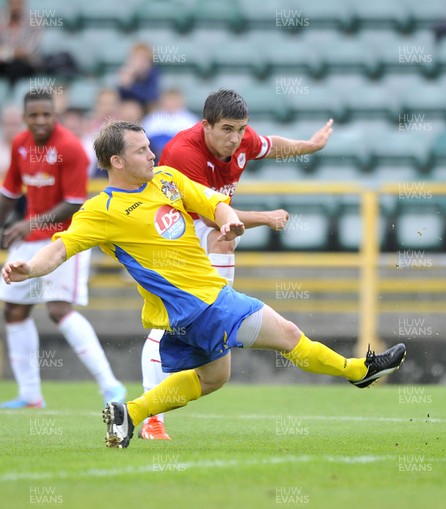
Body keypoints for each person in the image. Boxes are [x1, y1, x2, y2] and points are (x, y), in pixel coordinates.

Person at [1, 120, 407, 448]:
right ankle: (359, 370)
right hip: (204, 302)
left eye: (149, 146)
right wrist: (30, 269)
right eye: (141, 150)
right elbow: (59, 249)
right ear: (116, 161)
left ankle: (133, 413)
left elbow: (212, 201)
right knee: (288, 333)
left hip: (189, 311)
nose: (151, 153)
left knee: (215, 378)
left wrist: (228, 216)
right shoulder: (101, 210)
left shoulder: (166, 179)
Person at [139, 89, 334, 440]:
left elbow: (271, 145)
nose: (236, 139)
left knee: (209, 309)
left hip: (212, 229)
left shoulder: (241, 139)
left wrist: (310, 145)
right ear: (206, 126)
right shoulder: (184, 153)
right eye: (227, 129)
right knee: (175, 320)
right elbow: (212, 218)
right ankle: (152, 419)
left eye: (241, 130)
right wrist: (266, 217)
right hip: (173, 235)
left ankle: (214, 322)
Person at [0, 90, 126, 409]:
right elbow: (10, 193)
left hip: (66, 239)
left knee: (58, 310)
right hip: (29, 241)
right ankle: (30, 395)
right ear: (26, 117)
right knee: (14, 310)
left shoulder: (70, 148)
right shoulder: (20, 145)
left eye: (46, 114)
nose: (40, 120)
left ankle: (111, 386)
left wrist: (28, 224)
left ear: (55, 115)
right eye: (34, 115)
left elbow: (74, 203)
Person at [142, 88, 198, 159]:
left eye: (174, 100)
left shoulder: (190, 120)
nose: (171, 103)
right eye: (169, 99)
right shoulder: (151, 119)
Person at [0, 0, 43, 87]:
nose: (16, 6)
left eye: (18, 3)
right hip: (3, 63)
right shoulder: (2, 18)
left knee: (15, 67)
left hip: (27, 64)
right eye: (13, 3)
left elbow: (28, 51)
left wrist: (6, 52)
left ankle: (12, 95)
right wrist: (14, 52)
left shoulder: (34, 20)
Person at [117, 43, 160, 114]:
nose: (139, 61)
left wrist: (131, 86)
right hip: (127, 109)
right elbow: (120, 97)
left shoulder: (153, 73)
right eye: (136, 57)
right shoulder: (127, 72)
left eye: (143, 58)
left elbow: (150, 96)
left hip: (147, 109)